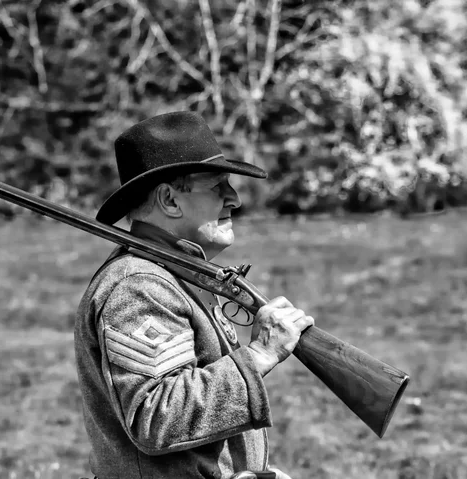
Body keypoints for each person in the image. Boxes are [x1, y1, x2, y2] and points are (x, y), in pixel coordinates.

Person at [74, 111, 314, 479]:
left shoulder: (177, 273)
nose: (233, 198)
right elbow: (156, 417)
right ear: (170, 200)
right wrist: (259, 355)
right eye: (217, 185)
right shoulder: (139, 285)